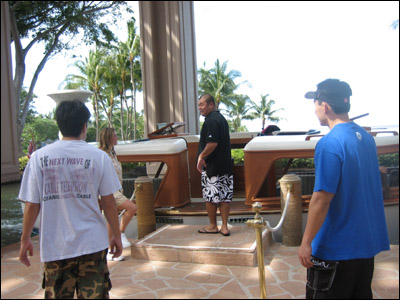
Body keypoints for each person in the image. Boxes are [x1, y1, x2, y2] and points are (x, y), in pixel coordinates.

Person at [18, 100, 123, 299]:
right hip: (92, 246)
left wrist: (24, 240)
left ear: (59, 124)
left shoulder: (39, 158)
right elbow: (109, 201)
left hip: (56, 247)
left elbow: (32, 204)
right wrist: (116, 235)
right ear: (85, 126)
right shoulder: (99, 157)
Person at [298, 79, 390, 299]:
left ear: (325, 106)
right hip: (365, 248)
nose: (315, 108)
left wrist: (306, 242)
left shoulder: (330, 144)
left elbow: (322, 198)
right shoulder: (367, 140)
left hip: (334, 250)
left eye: (316, 103)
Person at [197, 94, 233, 236]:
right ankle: (224, 227)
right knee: (224, 197)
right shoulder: (221, 119)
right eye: (199, 104)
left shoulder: (211, 120)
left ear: (211, 104)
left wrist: (201, 156)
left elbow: (212, 143)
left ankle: (213, 226)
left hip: (213, 167)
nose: (200, 107)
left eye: (202, 104)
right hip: (225, 166)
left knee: (210, 197)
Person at [99, 127, 137, 260]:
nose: (117, 138)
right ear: (108, 138)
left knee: (111, 218)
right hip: (108, 191)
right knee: (131, 207)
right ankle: (115, 242)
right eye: (115, 136)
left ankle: (112, 247)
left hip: (116, 190)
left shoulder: (113, 153)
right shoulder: (102, 154)